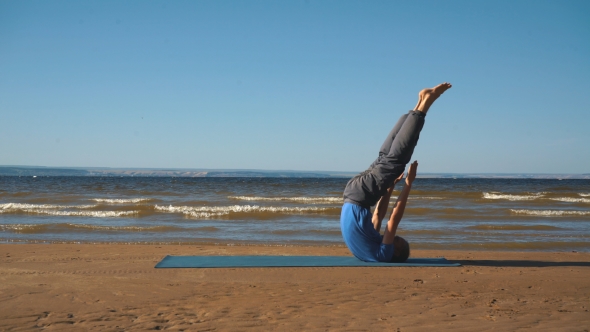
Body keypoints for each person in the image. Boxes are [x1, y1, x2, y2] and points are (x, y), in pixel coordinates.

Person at [340, 82, 452, 262]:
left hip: (362, 195)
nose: (395, 238)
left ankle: (425, 104)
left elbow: (393, 219)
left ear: (396, 253)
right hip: (352, 192)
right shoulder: (370, 246)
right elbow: (379, 214)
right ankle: (418, 103)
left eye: (398, 242)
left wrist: (409, 184)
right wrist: (390, 187)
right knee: (385, 156)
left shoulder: (382, 255)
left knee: (396, 161)